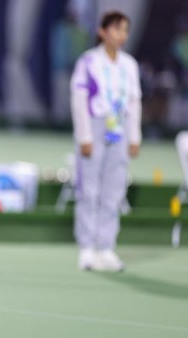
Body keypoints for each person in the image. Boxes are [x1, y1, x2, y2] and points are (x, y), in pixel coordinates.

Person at [70, 11, 142, 272]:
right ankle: (87, 247)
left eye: (125, 30)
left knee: (114, 190)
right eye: (116, 29)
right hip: (96, 125)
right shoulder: (88, 61)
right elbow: (79, 100)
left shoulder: (129, 65)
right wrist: (84, 135)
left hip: (118, 127)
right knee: (89, 190)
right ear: (102, 32)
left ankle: (106, 247)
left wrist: (135, 135)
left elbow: (134, 101)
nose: (121, 35)